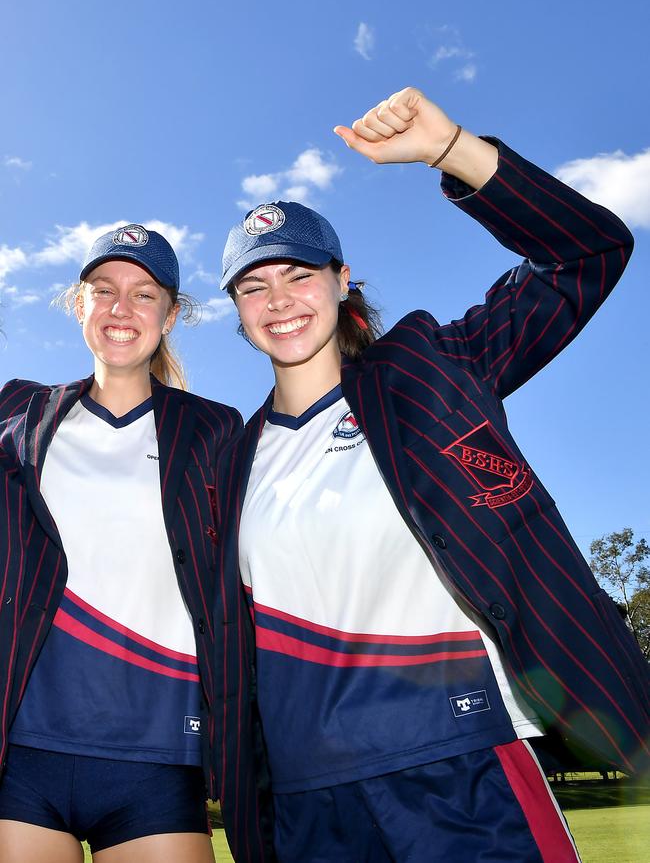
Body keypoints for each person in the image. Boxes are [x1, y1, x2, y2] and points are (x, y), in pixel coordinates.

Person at [212, 88, 650, 862]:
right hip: (307, 802)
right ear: (238, 310)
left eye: (298, 274)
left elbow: (588, 251)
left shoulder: (429, 370)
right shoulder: (229, 461)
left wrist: (452, 149)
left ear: (342, 279)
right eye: (254, 285)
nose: (278, 300)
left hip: (461, 766)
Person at [0, 225, 241, 862]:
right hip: (23, 751)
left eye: (144, 293)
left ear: (171, 313)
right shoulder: (18, 412)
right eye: (103, 290)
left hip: (159, 753)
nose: (120, 309)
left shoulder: (214, 428)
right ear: (79, 303)